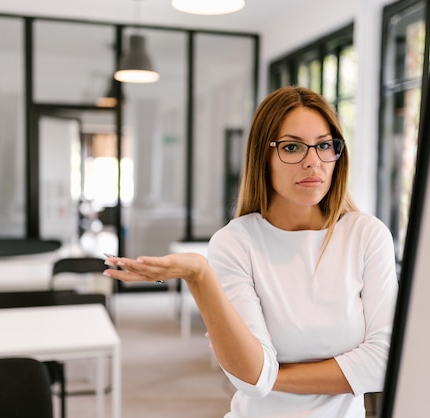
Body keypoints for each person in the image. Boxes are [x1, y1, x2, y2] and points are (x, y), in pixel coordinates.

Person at [103, 86, 399, 418]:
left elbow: (384, 363)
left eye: (324, 145)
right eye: (291, 147)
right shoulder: (235, 243)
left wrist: (267, 375)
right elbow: (249, 376)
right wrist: (199, 274)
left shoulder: (366, 235)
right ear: (263, 156)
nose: (313, 161)